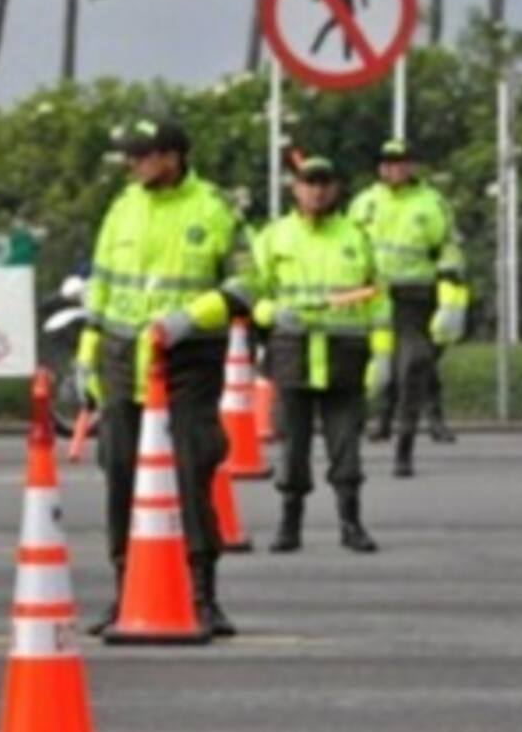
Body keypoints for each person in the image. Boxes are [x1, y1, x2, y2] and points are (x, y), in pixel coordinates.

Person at [75, 117, 256, 639]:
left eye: (142, 155)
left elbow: (247, 284)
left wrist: (192, 316)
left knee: (189, 469)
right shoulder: (123, 207)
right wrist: (88, 355)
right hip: (121, 357)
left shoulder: (214, 209)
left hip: (186, 359)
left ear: (173, 157)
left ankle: (202, 595)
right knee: (121, 473)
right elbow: (101, 286)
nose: (132, 165)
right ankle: (128, 588)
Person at [253, 156, 392, 553]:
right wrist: (270, 312)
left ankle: (351, 523)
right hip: (292, 353)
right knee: (292, 443)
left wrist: (382, 355)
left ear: (336, 189)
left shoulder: (355, 236)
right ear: (294, 188)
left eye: (324, 183)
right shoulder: (274, 237)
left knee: (346, 443)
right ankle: (289, 524)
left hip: (345, 355)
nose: (316, 190)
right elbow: (252, 291)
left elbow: (377, 299)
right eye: (308, 182)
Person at [349, 140, 468, 476]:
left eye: (401, 162)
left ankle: (404, 446)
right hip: (371, 297)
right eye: (387, 162)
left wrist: (450, 292)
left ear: (412, 166)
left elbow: (450, 247)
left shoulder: (431, 203)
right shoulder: (364, 203)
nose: (394, 168)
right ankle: (372, 422)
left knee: (413, 367)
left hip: (414, 296)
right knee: (374, 370)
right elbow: (346, 246)